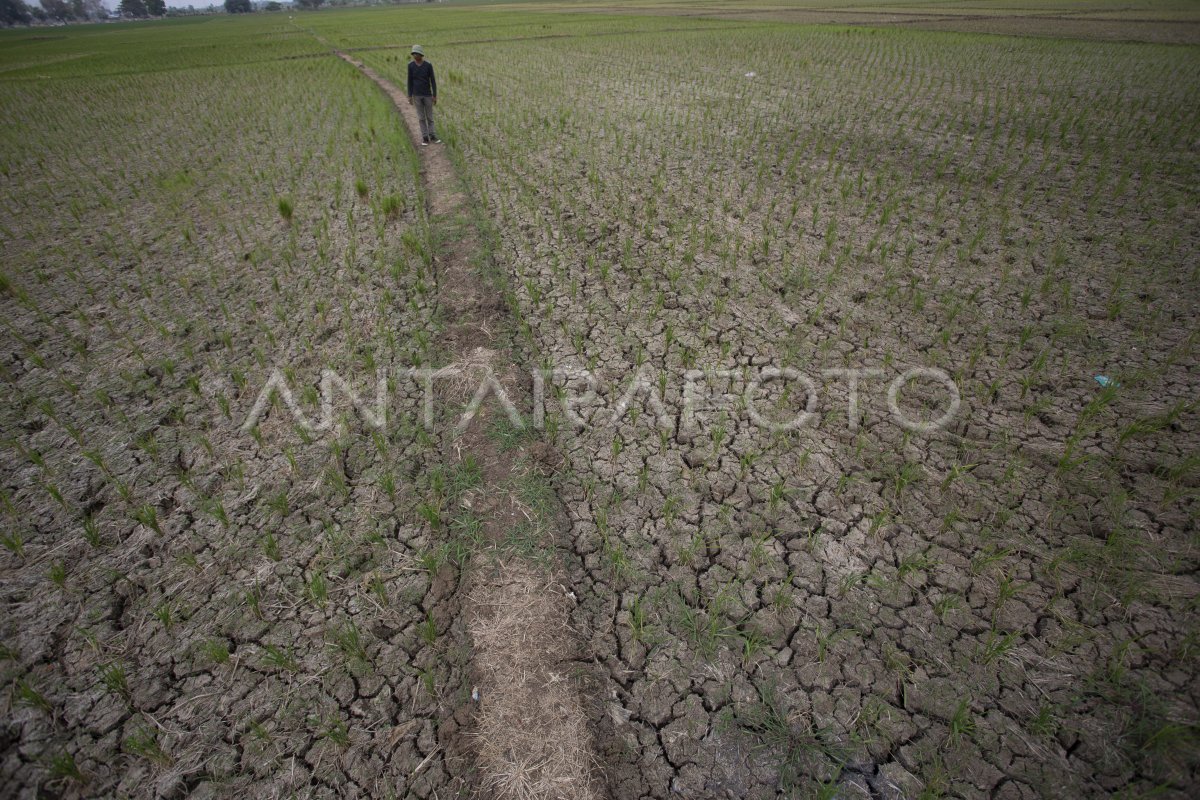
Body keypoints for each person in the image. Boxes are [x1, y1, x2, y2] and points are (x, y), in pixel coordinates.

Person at [407, 45, 440, 146]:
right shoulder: (411, 66)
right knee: (421, 118)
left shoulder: (428, 65)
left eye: (416, 53)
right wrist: (409, 95)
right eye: (413, 54)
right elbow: (410, 81)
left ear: (421, 54)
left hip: (427, 95)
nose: (414, 55)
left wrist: (434, 95)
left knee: (430, 117)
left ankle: (433, 135)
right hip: (417, 95)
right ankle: (425, 137)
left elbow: (433, 81)